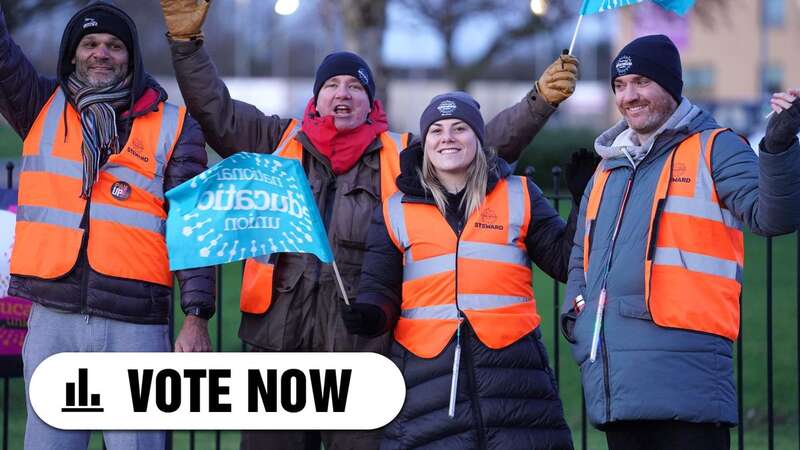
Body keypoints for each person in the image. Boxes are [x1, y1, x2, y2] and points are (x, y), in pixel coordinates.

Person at [159, 1, 579, 448]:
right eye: (332, 85)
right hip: (276, 351)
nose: (342, 93)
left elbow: (475, 145)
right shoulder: (275, 140)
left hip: (361, 351)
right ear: (316, 99)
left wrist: (538, 103)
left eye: (354, 87)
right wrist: (186, 46)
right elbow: (214, 109)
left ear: (370, 101)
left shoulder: (400, 154)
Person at [560, 34, 800, 450]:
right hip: (615, 385)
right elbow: (582, 257)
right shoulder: (607, 167)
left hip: (688, 379)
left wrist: (777, 148)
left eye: (641, 82)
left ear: (671, 86)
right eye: (619, 85)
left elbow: (773, 217)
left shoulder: (716, 146)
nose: (628, 96)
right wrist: (575, 318)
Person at [0, 2, 216, 449]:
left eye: (115, 46)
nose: (102, 53)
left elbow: (195, 230)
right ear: (72, 54)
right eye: (91, 43)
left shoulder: (175, 126)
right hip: (53, 318)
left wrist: (196, 317)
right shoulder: (40, 105)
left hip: (134, 325)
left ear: (131, 58)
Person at [344, 92, 576, 449]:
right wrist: (371, 315)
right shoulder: (395, 211)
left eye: (459, 128)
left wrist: (582, 203)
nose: (447, 137)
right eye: (436, 130)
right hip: (428, 384)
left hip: (515, 378)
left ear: (479, 140)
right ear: (425, 143)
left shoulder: (521, 195)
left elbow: (565, 261)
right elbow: (381, 288)